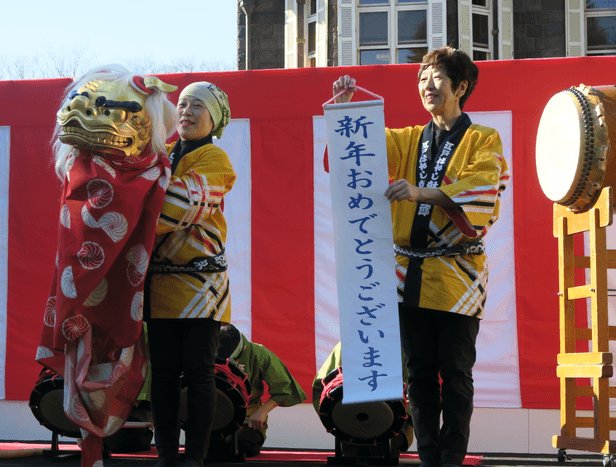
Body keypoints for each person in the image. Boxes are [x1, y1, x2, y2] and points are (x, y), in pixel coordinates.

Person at [330, 47, 510, 467]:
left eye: (435, 78)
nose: (426, 86)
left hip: (457, 273)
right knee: (420, 373)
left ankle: (452, 456)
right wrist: (343, 113)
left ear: (460, 86)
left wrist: (418, 191)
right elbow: (353, 153)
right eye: (421, 79)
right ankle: (429, 455)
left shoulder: (483, 137)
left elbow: (483, 188)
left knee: (457, 374)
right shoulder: (409, 138)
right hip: (406, 272)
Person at [145, 81, 236, 467]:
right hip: (161, 284)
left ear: (213, 119)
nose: (186, 111)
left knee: (199, 374)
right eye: (181, 104)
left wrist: (136, 198)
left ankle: (195, 456)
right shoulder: (159, 154)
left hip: (202, 287)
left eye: (198, 105)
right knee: (163, 375)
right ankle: (166, 454)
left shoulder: (215, 159)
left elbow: (178, 206)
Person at [210, 324, 308, 458]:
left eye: (233, 359)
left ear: (244, 347)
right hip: (214, 415)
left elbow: (284, 389)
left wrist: (262, 411)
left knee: (243, 446)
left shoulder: (258, 353)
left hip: (247, 417)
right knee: (209, 450)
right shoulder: (206, 351)